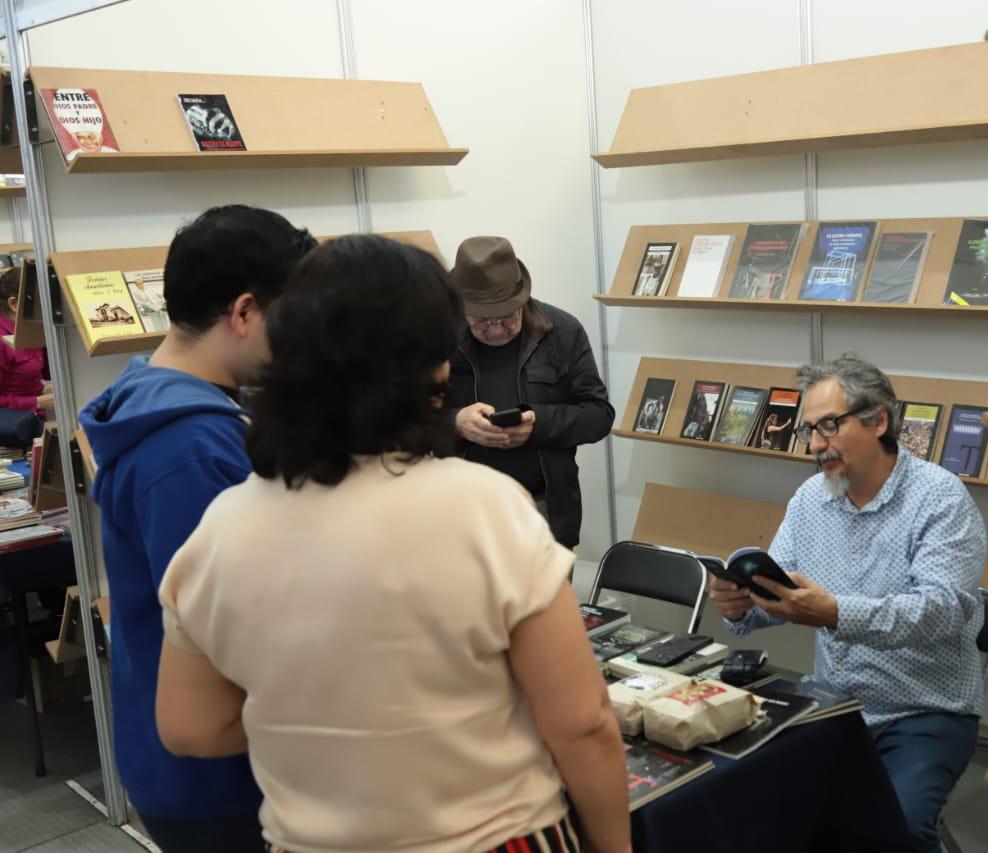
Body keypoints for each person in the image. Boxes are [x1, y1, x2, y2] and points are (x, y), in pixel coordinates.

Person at [153, 235, 630, 853]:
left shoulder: (222, 525)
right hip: (492, 836)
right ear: (430, 366)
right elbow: (582, 722)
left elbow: (191, 728)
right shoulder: (483, 508)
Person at [79, 205, 316, 852]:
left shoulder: (152, 393)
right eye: (290, 321)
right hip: (214, 772)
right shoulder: (191, 445)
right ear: (244, 312)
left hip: (181, 753)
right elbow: (229, 626)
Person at [707, 353, 986, 853]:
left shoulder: (940, 499)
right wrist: (740, 604)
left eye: (829, 427)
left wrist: (835, 613)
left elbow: (944, 611)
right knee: (737, 800)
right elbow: (782, 593)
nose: (816, 446)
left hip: (922, 713)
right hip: (832, 703)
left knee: (894, 831)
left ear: (878, 420)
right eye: (809, 430)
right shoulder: (811, 499)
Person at [445, 236, 613, 550]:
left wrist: (539, 424)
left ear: (522, 299)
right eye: (482, 321)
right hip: (461, 512)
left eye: (507, 317)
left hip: (544, 509)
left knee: (551, 601)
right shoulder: (439, 336)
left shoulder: (562, 331)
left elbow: (599, 415)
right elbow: (407, 418)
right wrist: (456, 422)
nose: (495, 330)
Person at [0, 267, 51, 414]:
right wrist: (36, 402)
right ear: (13, 304)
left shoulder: (30, 328)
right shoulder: (2, 340)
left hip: (34, 418)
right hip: (14, 424)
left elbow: (45, 372)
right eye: (39, 301)